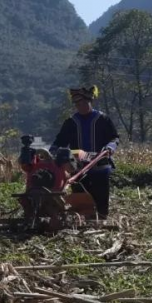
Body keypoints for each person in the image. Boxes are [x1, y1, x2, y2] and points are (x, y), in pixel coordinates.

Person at [49, 86, 120, 219]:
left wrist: (110, 147)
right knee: (80, 195)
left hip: (100, 163)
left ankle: (102, 217)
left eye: (82, 103)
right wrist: (51, 153)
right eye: (77, 104)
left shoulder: (103, 119)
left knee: (100, 194)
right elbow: (60, 141)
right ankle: (83, 217)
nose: (80, 106)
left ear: (90, 102)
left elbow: (114, 137)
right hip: (78, 166)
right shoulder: (71, 122)